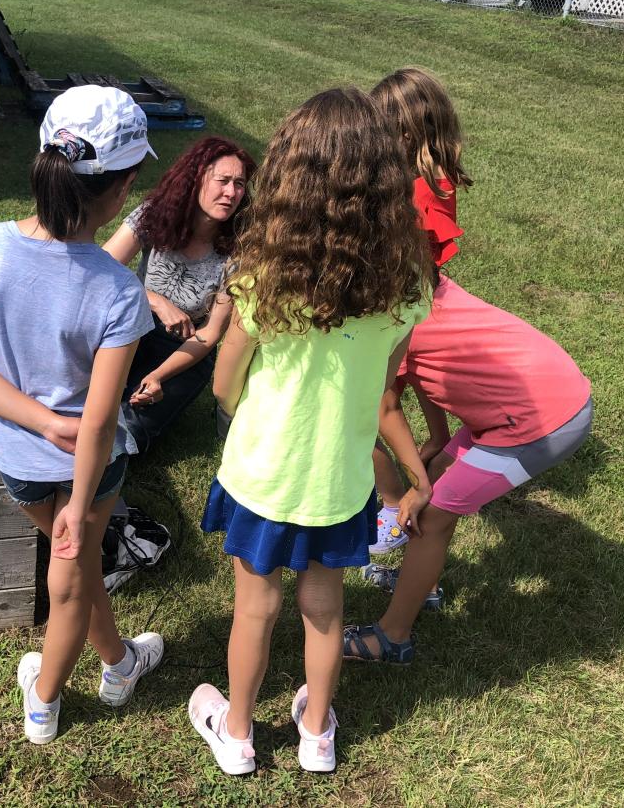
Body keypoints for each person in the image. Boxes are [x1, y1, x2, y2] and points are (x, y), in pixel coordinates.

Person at [186, 88, 433, 775]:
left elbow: (223, 383)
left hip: (263, 473)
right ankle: (317, 734)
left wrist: (242, 412)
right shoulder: (409, 284)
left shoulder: (263, 279)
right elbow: (382, 384)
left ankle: (236, 734)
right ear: (386, 183)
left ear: (289, 178)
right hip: (343, 478)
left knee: (254, 610)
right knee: (325, 609)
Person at [0, 85, 164, 745]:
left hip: (12, 458)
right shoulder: (120, 293)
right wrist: (75, 489)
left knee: (78, 570)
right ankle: (45, 701)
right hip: (87, 471)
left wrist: (36, 423)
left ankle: (121, 661)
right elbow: (96, 424)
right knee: (69, 581)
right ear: (122, 189)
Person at [342, 273, 593, 664]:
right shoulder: (421, 286)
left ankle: (392, 638)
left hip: (540, 422)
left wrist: (419, 483)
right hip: (544, 397)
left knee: (433, 513)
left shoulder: (382, 318)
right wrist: (438, 443)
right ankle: (422, 586)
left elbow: (386, 409)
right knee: (439, 481)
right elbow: (424, 367)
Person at [367, 66, 474, 555]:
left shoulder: (411, 195)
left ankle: (398, 502)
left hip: (397, 311)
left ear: (404, 132)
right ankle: (433, 445)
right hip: (423, 304)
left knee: (376, 409)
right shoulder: (438, 181)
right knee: (414, 388)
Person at [102, 136, 256, 454]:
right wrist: (157, 301)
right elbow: (100, 268)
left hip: (183, 351)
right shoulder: (154, 214)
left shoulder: (238, 251)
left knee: (128, 430)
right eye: (223, 181)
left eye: (239, 184)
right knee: (87, 398)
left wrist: (158, 376)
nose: (231, 193)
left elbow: (211, 333)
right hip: (129, 326)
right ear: (196, 178)